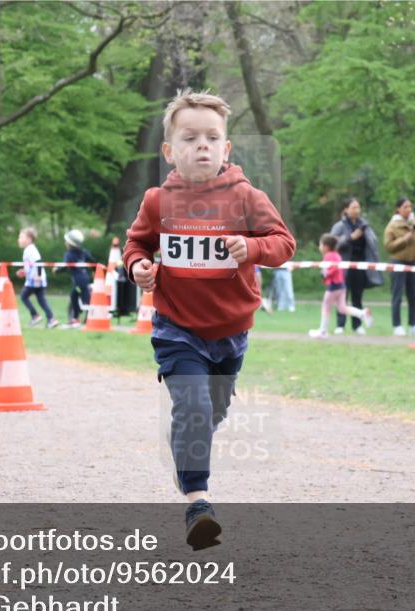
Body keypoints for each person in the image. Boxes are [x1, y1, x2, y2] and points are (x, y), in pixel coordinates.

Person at [123, 89, 295, 550]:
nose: (202, 145)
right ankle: (198, 504)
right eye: (190, 137)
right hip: (177, 328)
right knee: (195, 407)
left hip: (231, 331)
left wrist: (252, 247)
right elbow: (136, 244)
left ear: (226, 148)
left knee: (209, 413)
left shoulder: (246, 197)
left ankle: (186, 437)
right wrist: (138, 267)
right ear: (169, 150)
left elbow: (283, 243)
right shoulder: (157, 201)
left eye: (212, 138)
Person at [308, 234, 373, 339]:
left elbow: (333, 269)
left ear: (326, 246)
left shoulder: (329, 256)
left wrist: (325, 274)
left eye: (320, 244)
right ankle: (362, 313)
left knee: (325, 306)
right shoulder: (337, 255)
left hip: (334, 285)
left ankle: (322, 331)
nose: (319, 247)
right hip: (341, 285)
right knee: (342, 308)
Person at [384, 197, 415, 336]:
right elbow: (388, 246)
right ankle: (397, 325)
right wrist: (404, 239)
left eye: (410, 206)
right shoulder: (392, 226)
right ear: (398, 209)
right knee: (397, 294)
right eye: (405, 207)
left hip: (414, 262)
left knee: (413, 295)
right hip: (398, 262)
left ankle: (413, 325)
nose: (409, 209)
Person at [330, 197, 371, 334]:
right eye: (353, 207)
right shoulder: (339, 226)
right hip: (343, 266)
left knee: (357, 296)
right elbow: (332, 244)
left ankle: (357, 325)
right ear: (346, 210)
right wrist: (350, 238)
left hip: (359, 265)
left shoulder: (363, 225)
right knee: (342, 296)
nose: (357, 210)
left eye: (358, 207)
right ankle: (340, 325)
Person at [16, 227, 58, 328]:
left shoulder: (30, 249)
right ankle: (51, 319)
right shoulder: (29, 249)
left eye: (21, 237)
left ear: (29, 239)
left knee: (24, 297)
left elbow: (38, 262)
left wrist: (38, 275)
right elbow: (32, 264)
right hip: (39, 279)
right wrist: (24, 271)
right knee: (41, 299)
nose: (19, 240)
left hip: (35, 279)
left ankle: (35, 316)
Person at [57, 229, 95, 328]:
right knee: (83, 297)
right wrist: (94, 271)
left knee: (76, 297)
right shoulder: (84, 252)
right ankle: (83, 317)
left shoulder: (68, 254)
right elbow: (93, 261)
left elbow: (65, 266)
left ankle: (76, 318)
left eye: (66, 241)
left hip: (78, 281)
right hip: (85, 279)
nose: (65, 243)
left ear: (70, 243)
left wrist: (56, 270)